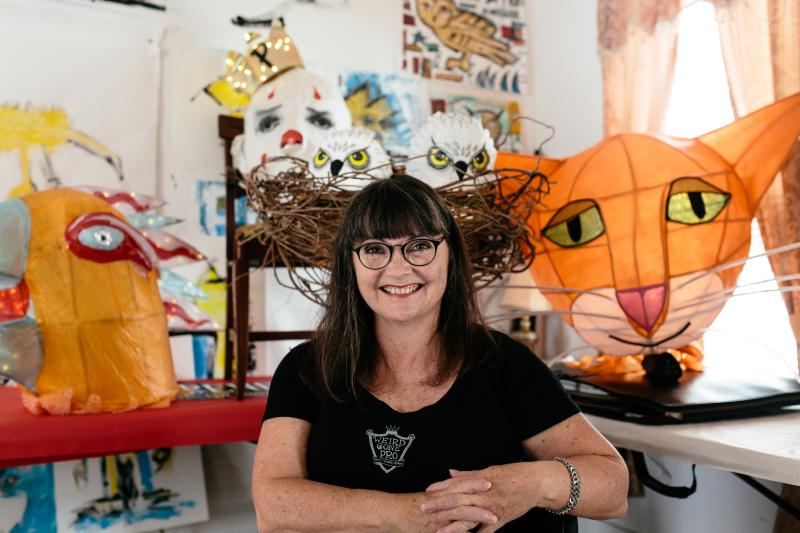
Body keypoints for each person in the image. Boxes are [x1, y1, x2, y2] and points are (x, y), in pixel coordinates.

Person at [252, 174, 628, 532]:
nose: (398, 268)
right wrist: (410, 514)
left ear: (450, 254)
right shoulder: (304, 369)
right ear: (350, 265)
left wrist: (534, 482)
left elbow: (613, 487)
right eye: (374, 250)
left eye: (419, 246)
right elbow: (272, 508)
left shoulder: (505, 363)